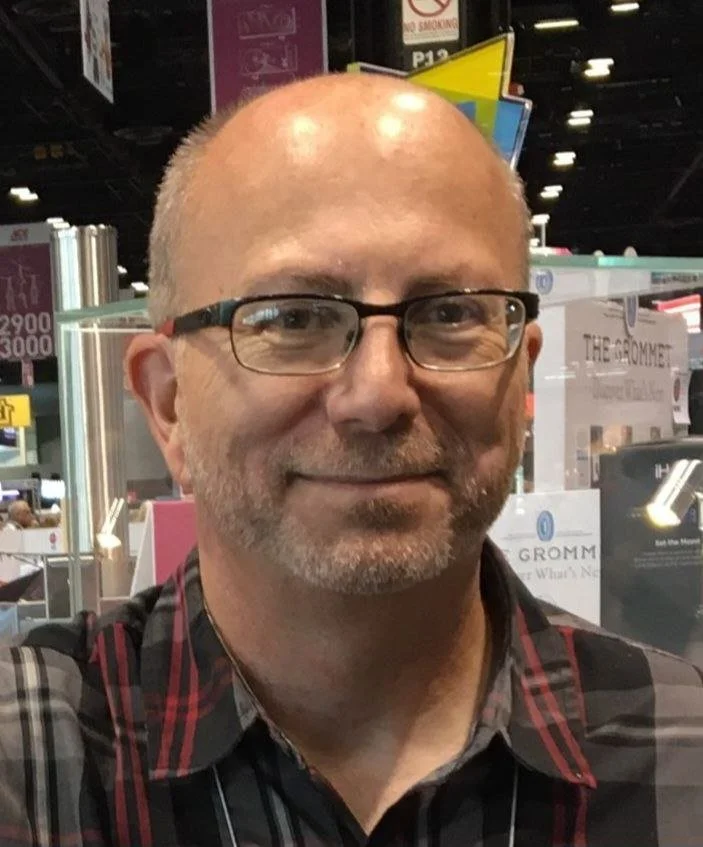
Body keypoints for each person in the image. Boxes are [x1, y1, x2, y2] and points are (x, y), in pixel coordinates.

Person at [1, 73, 702, 847]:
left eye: (449, 313)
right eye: (292, 317)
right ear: (169, 403)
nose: (377, 394)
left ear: (518, 375)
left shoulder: (678, 746)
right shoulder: (30, 756)